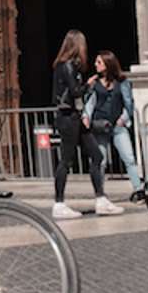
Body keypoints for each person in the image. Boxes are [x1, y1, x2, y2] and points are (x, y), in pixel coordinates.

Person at [49, 30, 118, 219]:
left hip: (73, 117)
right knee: (66, 160)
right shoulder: (68, 66)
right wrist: (88, 84)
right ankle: (59, 203)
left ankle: (101, 199)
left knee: (96, 155)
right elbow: (75, 92)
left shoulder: (64, 66)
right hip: (68, 117)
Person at [85, 51, 143, 201]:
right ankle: (100, 193)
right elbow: (89, 103)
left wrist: (123, 118)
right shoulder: (95, 82)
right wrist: (86, 116)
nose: (95, 65)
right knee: (101, 160)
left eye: (99, 62)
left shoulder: (122, 82)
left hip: (117, 125)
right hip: (99, 124)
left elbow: (129, 102)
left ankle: (138, 189)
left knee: (129, 158)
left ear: (108, 64)